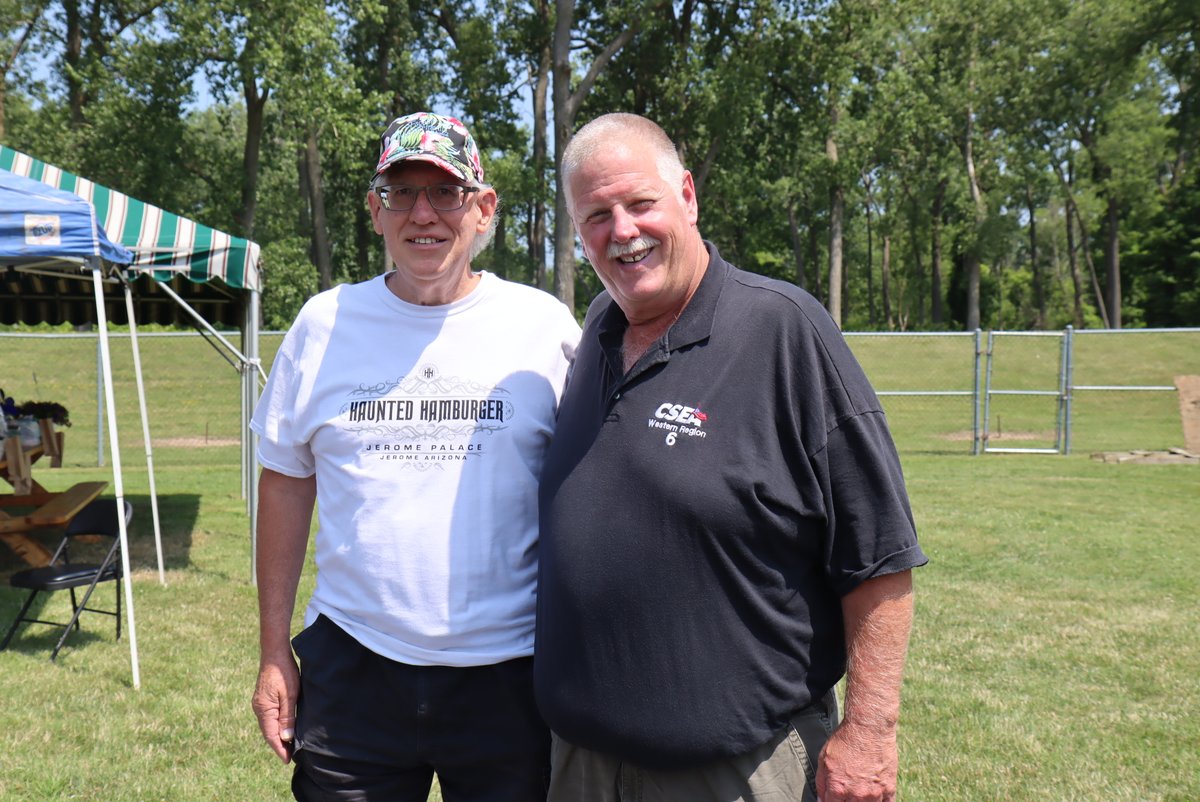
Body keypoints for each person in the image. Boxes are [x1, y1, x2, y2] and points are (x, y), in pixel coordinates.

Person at [534, 112, 928, 802]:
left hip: (740, 771)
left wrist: (870, 733)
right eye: (596, 215)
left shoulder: (781, 329)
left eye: (639, 203)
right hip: (585, 766)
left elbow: (880, 555)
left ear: (686, 196)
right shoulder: (598, 328)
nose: (620, 231)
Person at [251, 111, 581, 802]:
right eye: (401, 192)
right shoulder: (324, 324)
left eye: (446, 193)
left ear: (484, 209)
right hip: (356, 668)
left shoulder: (542, 327)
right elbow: (285, 483)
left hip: (510, 672)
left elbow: (595, 489)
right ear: (376, 211)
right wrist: (273, 651)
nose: (422, 214)